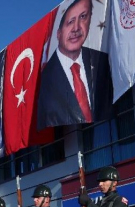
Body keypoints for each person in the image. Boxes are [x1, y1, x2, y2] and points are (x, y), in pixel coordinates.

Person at [37, 0, 112, 129]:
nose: (76, 28)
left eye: (83, 17)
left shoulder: (103, 61)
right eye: (70, 21)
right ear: (58, 33)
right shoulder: (44, 80)